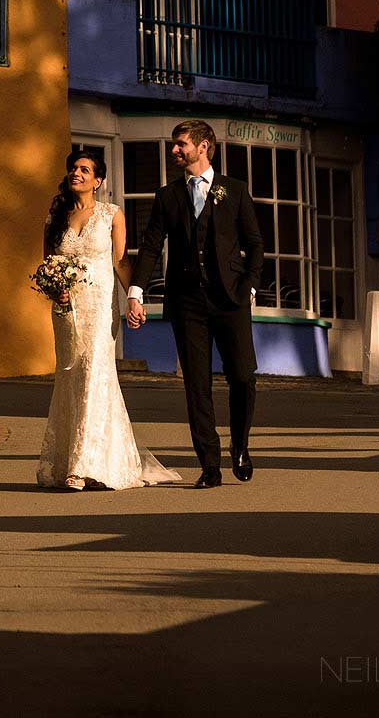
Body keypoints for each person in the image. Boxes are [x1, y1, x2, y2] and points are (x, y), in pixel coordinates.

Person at [35, 148, 184, 491]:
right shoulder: (56, 215)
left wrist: (134, 297)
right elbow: (48, 265)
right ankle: (68, 461)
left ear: (98, 181)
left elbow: (119, 262)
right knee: (70, 378)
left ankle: (81, 467)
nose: (77, 173)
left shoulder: (111, 215)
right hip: (65, 309)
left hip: (100, 309)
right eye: (74, 168)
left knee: (94, 376)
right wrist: (53, 288)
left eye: (85, 170)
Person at [126, 120, 264, 488]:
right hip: (188, 302)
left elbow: (255, 245)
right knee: (197, 385)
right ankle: (210, 464)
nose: (174, 150)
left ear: (203, 147)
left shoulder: (234, 190)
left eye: (180, 144)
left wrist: (249, 287)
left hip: (231, 300)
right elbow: (152, 246)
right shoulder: (168, 196)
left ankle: (240, 446)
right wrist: (135, 292)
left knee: (243, 377)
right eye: (174, 144)